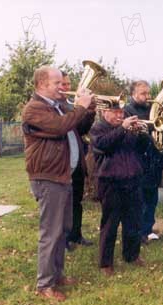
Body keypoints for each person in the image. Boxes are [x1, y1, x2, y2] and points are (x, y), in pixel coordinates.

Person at [22, 66, 93, 302]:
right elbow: (60, 127)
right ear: (42, 84)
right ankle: (45, 284)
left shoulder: (59, 106)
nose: (63, 87)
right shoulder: (34, 109)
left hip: (64, 175)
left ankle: (57, 274)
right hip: (48, 177)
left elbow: (78, 128)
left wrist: (88, 110)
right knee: (51, 232)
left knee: (63, 229)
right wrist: (80, 105)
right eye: (57, 83)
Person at [90, 102, 151, 276]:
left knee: (134, 222)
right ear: (104, 112)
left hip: (132, 178)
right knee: (110, 223)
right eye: (115, 112)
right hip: (110, 181)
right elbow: (103, 145)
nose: (119, 116)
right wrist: (123, 128)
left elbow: (141, 148)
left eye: (121, 112)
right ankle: (105, 263)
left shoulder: (126, 128)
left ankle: (132, 255)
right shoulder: (98, 128)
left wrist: (143, 135)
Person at [124, 80, 163, 244]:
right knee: (138, 198)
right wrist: (150, 128)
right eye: (143, 93)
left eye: (149, 93)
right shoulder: (128, 110)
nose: (148, 96)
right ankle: (137, 232)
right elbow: (129, 135)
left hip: (155, 160)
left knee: (151, 198)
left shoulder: (154, 109)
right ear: (133, 94)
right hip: (137, 159)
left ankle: (147, 229)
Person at [60, 71, 96, 251]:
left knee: (77, 201)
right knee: (64, 204)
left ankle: (76, 234)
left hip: (77, 163)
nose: (67, 88)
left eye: (68, 84)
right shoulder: (58, 109)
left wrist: (89, 112)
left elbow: (80, 129)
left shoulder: (70, 106)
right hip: (62, 164)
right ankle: (64, 240)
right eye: (63, 84)